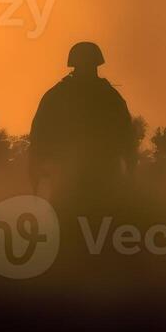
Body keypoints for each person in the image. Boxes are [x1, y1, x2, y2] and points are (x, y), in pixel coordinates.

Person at [28, 41, 138, 215]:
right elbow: (126, 132)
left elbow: (39, 132)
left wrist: (37, 162)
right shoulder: (108, 95)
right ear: (97, 63)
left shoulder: (57, 94)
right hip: (90, 171)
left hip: (88, 171)